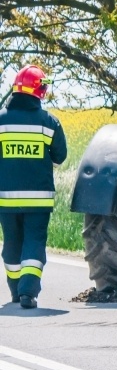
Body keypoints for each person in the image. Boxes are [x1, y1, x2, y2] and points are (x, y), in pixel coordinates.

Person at [0, 65, 67, 308]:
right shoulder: (49, 122)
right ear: (40, 90)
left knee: (12, 243)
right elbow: (60, 157)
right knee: (34, 242)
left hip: (5, 200)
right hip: (38, 200)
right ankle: (28, 292)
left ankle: (16, 291)